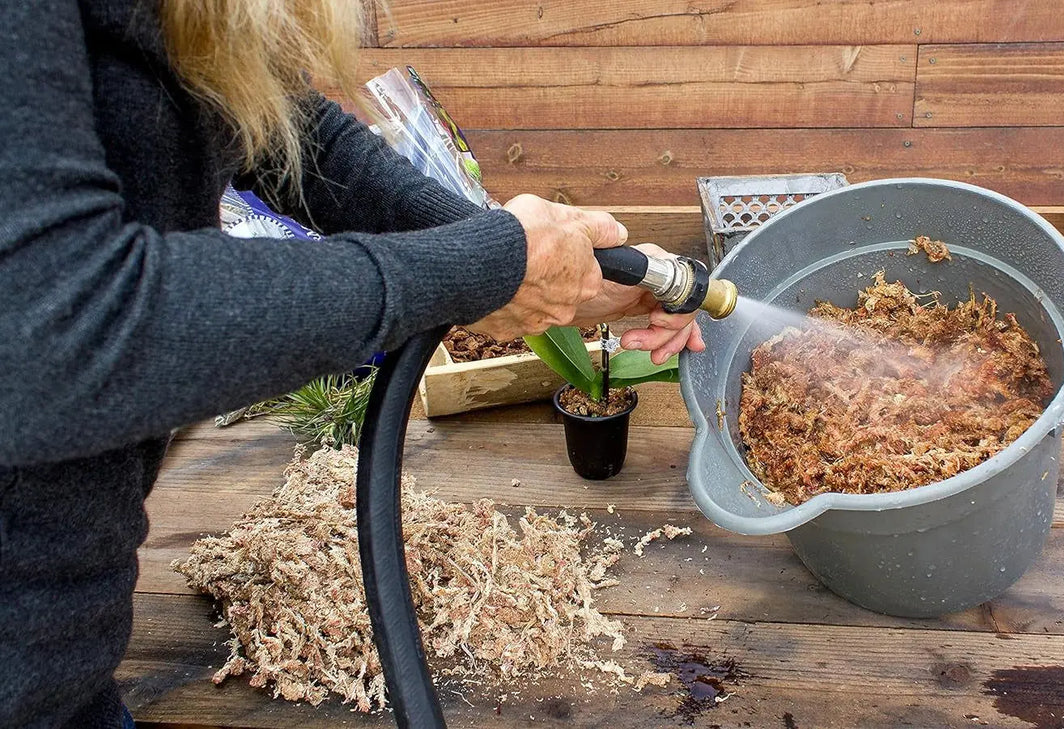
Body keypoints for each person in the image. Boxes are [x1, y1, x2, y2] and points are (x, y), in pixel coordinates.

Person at [0, 2, 705, 727]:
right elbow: (56, 322)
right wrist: (482, 265)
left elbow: (290, 134)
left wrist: (547, 272)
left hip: (66, 646)